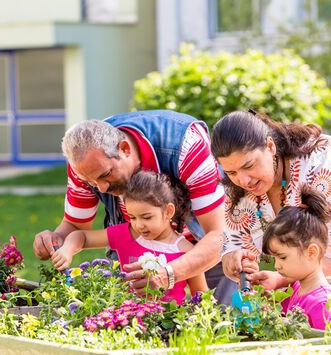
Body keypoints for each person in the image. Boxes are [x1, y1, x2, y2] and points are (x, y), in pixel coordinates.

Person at [33, 110, 235, 305]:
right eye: (91, 182)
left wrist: (167, 273)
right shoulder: (84, 163)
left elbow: (219, 237)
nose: (102, 188)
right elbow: (76, 227)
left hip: (203, 243)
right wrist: (56, 240)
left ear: (124, 149)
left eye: (105, 175)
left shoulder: (186, 146)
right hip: (134, 257)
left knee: (226, 313)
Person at [210, 109, 331, 286]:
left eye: (249, 165)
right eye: (231, 172)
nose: (243, 180)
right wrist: (233, 259)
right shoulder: (234, 188)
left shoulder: (322, 164)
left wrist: (283, 280)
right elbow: (231, 243)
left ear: (270, 146)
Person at [51, 170, 208, 305]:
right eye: (132, 217)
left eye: (146, 217)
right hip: (126, 324)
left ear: (168, 211)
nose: (139, 225)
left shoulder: (188, 252)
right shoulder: (127, 234)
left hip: (170, 328)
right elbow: (81, 236)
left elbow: (201, 296)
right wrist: (67, 250)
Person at [262, 185, 331, 330]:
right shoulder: (296, 288)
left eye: (282, 257)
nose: (276, 266)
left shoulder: (323, 304)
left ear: (311, 252)